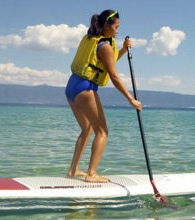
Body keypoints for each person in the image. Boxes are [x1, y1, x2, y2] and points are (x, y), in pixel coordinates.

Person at [65, 10, 142, 183]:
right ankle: (91, 174)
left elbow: (108, 60)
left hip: (71, 86)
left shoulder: (92, 39)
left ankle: (73, 170)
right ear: (107, 25)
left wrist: (123, 49)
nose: (117, 31)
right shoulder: (105, 46)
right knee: (102, 131)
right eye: (115, 27)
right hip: (85, 88)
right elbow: (114, 76)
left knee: (87, 129)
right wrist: (131, 99)